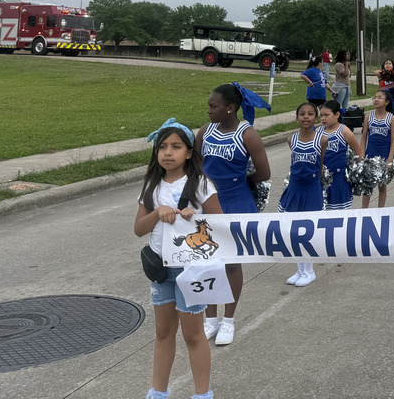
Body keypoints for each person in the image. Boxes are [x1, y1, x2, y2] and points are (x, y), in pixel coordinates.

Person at [136, 120, 219, 399]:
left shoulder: (201, 184)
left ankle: (202, 394)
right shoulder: (151, 186)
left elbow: (220, 224)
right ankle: (158, 392)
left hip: (191, 270)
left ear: (189, 153)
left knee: (193, 335)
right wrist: (157, 211)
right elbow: (138, 228)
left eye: (176, 146)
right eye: (162, 147)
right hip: (160, 270)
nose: (168, 152)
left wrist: (195, 220)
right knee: (163, 332)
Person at [195, 83, 271, 346]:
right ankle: (210, 319)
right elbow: (195, 165)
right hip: (207, 203)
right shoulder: (205, 131)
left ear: (230, 108)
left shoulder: (247, 134)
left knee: (230, 263)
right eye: (209, 105)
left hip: (236, 202)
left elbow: (264, 173)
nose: (209, 111)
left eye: (213, 106)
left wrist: (241, 183)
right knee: (207, 261)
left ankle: (228, 320)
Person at [279, 102, 328, 287]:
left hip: (311, 190)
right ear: (296, 118)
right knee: (294, 231)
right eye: (302, 114)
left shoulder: (322, 140)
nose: (306, 117)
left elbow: (320, 166)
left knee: (308, 230)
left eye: (310, 114)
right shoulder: (291, 139)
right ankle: (300, 269)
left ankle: (310, 270)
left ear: (316, 118)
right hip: (294, 189)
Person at [320, 100, 362, 210]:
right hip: (320, 180)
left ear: (337, 114)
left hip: (338, 180)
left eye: (326, 115)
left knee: (338, 213)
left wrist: (354, 173)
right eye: (321, 115)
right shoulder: (318, 131)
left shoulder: (344, 131)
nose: (323, 118)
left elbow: (358, 153)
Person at [359, 89, 394, 208]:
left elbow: (393, 140)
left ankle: (381, 210)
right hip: (370, 154)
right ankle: (363, 211)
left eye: (379, 97)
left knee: (382, 185)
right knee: (367, 185)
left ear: (386, 102)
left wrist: (390, 158)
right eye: (374, 97)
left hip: (384, 156)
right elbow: (364, 137)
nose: (376, 99)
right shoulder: (368, 117)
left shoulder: (392, 118)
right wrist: (361, 155)